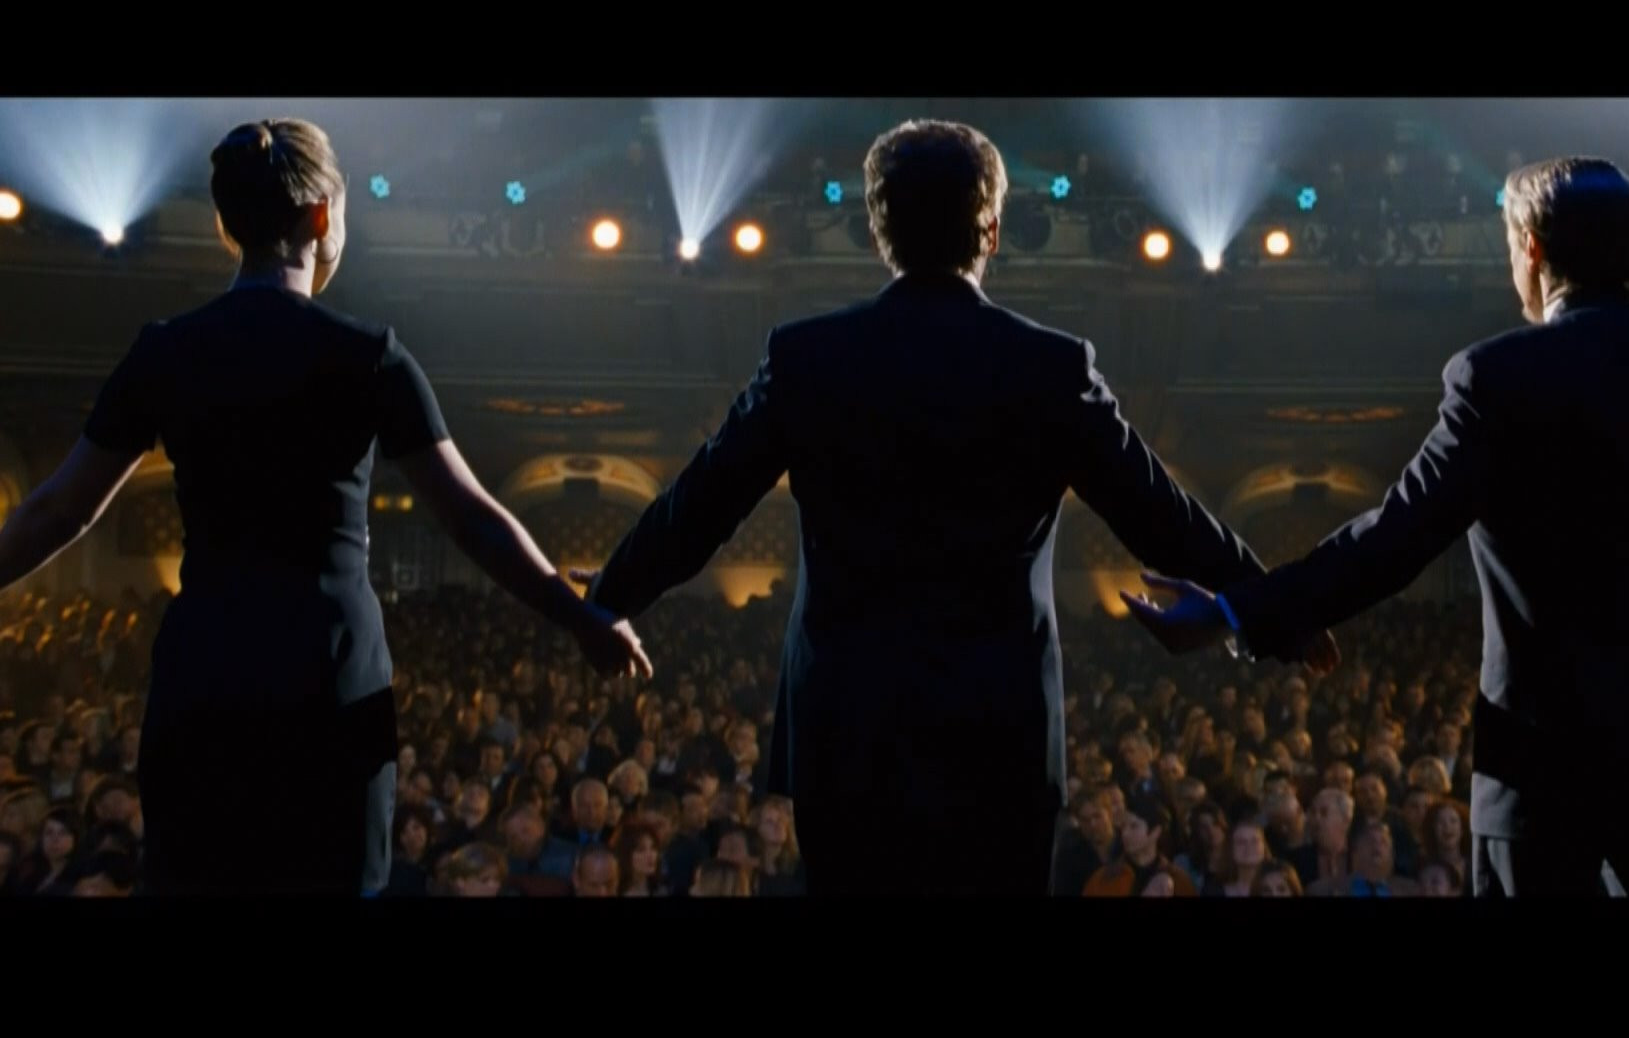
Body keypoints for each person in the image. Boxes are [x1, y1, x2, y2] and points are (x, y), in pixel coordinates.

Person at [1125, 156, 1629, 897]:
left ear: (1532, 249)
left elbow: (1392, 541)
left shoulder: (1496, 379)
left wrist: (1238, 610)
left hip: (1542, 775)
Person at [584, 119, 1333, 896]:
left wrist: (604, 599)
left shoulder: (807, 359)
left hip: (848, 740)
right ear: (993, 229)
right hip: (998, 743)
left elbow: (699, 508)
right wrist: (1278, 612)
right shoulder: (1051, 368)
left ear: (879, 229)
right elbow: (1163, 516)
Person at [0, 119, 648, 895]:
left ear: (228, 225)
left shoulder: (165, 351)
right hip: (329, 673)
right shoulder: (366, 354)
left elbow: (59, 511)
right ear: (318, 217)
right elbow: (469, 517)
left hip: (205, 673)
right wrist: (578, 615)